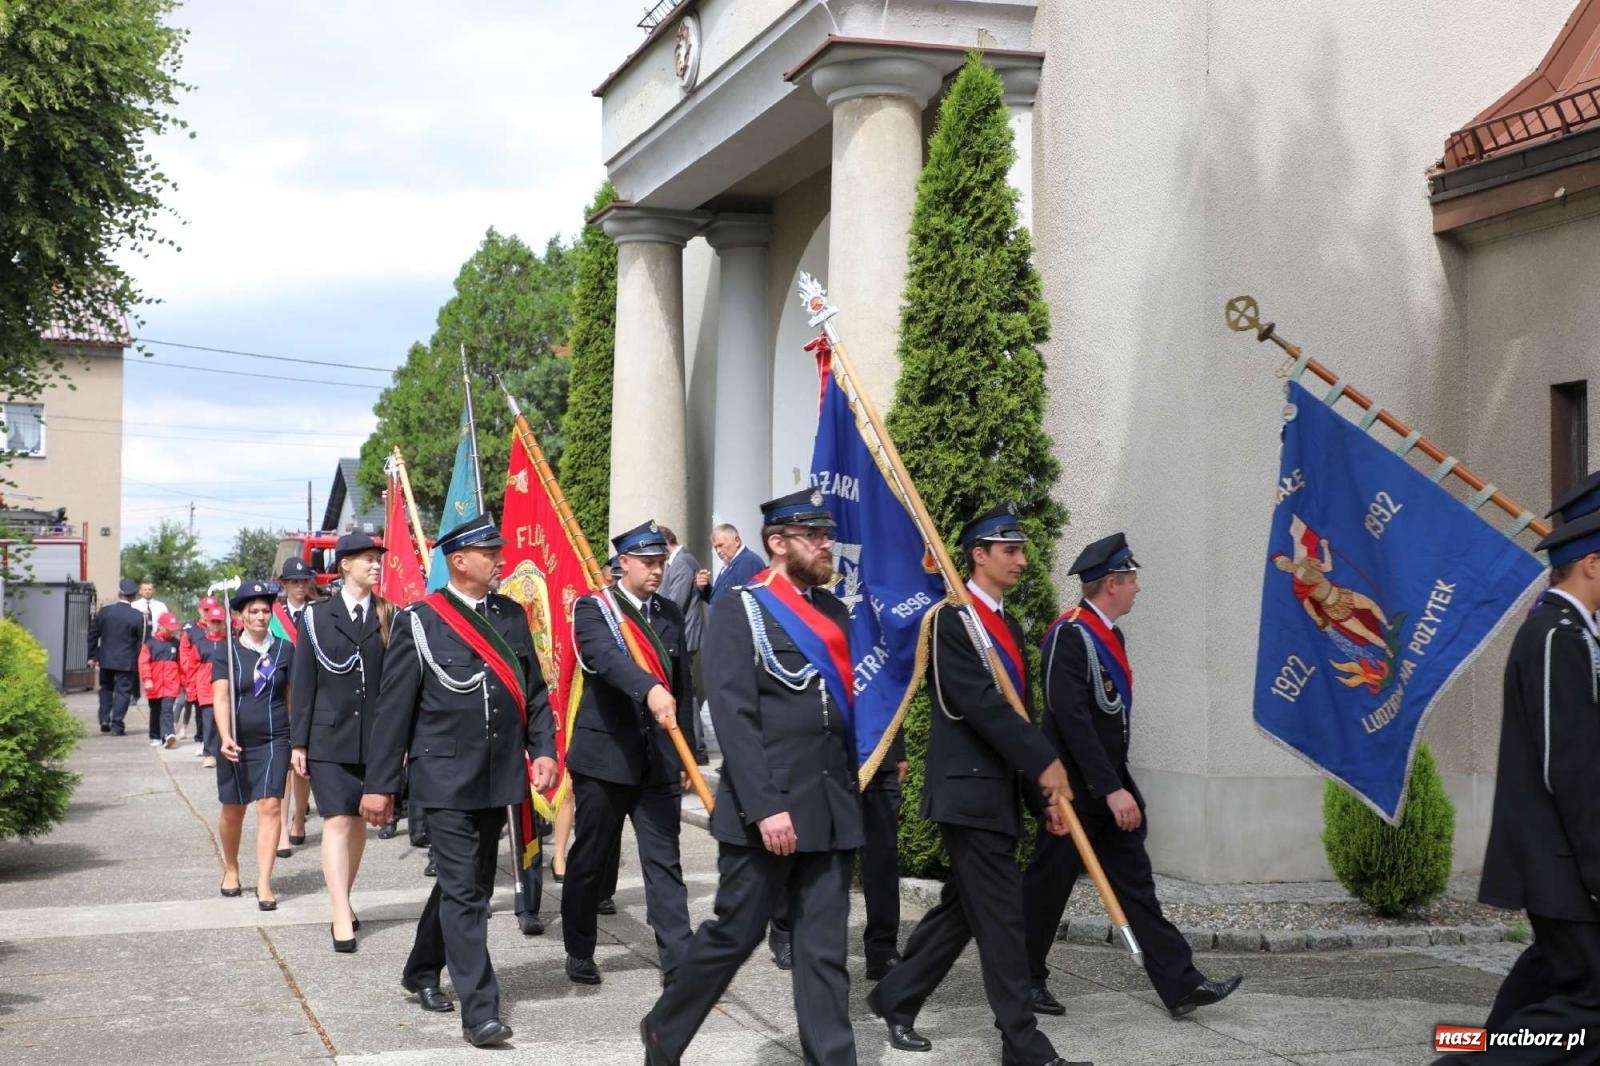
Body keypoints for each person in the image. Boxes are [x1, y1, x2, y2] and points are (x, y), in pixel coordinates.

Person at [641, 489, 862, 1066]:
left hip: (829, 804)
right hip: (765, 809)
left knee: (824, 949)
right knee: (734, 935)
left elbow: (840, 710)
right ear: (778, 543)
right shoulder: (743, 607)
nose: (825, 544)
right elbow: (735, 714)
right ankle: (664, 1029)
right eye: (813, 536)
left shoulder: (833, 611)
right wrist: (766, 806)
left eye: (826, 534)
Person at [866, 504, 1086, 1065]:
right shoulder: (951, 620)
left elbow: (1021, 714)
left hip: (996, 794)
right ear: (978, 555)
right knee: (1004, 920)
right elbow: (980, 705)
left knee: (962, 912)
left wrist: (1041, 797)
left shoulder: (1005, 625)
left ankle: (895, 997)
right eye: (1009, 550)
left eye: (1022, 549)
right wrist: (1045, 761)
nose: (1022, 560)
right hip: (967, 793)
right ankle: (1024, 1045)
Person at [1022, 533, 1241, 1020]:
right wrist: (1110, 788)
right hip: (1073, 794)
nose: (1138, 588)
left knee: (1137, 888)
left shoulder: (1109, 636)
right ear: (1111, 583)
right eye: (1132, 579)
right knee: (1047, 888)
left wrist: (1117, 786)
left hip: (1106, 789)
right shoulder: (1069, 634)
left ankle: (1181, 984)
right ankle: (1022, 981)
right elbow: (1071, 720)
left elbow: (1109, 721)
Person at [360, 514, 558, 1049]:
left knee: (467, 883)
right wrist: (380, 784)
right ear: (459, 560)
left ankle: (421, 969)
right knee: (468, 893)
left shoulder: (510, 616)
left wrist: (543, 749)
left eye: (497, 551)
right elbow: (393, 710)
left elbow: (534, 691)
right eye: (489, 553)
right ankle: (480, 1012)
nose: (499, 560)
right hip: (443, 776)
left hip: (497, 773)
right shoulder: (421, 620)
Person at [1450, 508, 1600, 1064]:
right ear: (1591, 564)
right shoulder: (1557, 636)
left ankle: (1475, 1047)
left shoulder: (1572, 633)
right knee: (1588, 1005)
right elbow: (1568, 766)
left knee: (1547, 977)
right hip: (1559, 858)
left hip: (1557, 858)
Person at [561, 519, 695, 987]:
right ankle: (580, 948)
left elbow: (683, 686)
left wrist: (688, 752)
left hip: (658, 758)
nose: (657, 570)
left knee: (664, 862)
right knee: (591, 859)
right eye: (648, 562)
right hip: (605, 757)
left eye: (661, 562)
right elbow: (605, 659)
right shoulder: (594, 608)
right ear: (623, 564)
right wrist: (649, 688)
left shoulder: (670, 613)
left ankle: (679, 961)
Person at [289, 532, 392, 954]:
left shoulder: (389, 614)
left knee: (358, 822)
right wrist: (299, 742)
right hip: (328, 737)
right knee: (336, 820)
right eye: (368, 558)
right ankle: (339, 913)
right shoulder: (316, 617)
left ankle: (343, 898)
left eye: (378, 558)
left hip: (375, 738)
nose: (376, 565)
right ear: (345, 564)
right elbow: (304, 681)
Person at [213, 579, 294, 911]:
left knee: (271, 806)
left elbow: (291, 699)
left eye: (265, 611)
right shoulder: (227, 651)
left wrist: (297, 741)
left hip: (275, 739)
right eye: (254, 611)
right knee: (234, 810)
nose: (261, 617)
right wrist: (224, 736)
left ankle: (264, 881)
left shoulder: (285, 650)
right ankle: (232, 868)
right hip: (237, 742)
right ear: (241, 616)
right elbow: (220, 696)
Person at [275, 557, 318, 854]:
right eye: (294, 581)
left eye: (304, 581)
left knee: (303, 766)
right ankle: (279, 831)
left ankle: (299, 819)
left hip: (310, 696)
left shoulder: (319, 611)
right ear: (284, 584)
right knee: (282, 766)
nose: (300, 586)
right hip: (280, 696)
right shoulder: (273, 615)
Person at [659, 525, 709, 764]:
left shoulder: (682, 563)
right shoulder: (679, 562)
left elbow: (674, 603)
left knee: (686, 691)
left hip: (684, 638)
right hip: (682, 636)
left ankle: (697, 747)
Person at [88, 579, 147, 735]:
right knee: (123, 692)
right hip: (127, 660)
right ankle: (117, 724)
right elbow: (141, 642)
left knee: (106, 688)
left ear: (119, 593)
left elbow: (93, 635)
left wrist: (92, 656)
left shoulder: (105, 612)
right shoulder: (138, 616)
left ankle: (104, 719)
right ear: (134, 596)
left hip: (106, 658)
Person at [181, 603, 228, 768]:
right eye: (213, 621)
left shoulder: (230, 643)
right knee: (208, 723)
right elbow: (192, 669)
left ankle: (224, 752)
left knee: (225, 721)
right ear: (207, 623)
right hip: (206, 690)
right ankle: (209, 754)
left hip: (225, 691)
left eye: (219, 621)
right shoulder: (200, 644)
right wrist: (191, 690)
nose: (216, 625)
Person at [139, 612, 183, 748]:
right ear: (160, 627)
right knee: (155, 710)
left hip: (171, 684)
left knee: (167, 709)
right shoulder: (150, 644)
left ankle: (169, 734)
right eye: (168, 628)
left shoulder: (176, 643)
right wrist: (147, 679)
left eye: (172, 629)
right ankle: (155, 736)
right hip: (154, 684)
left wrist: (183, 682)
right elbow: (143, 663)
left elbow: (181, 664)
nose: (171, 632)